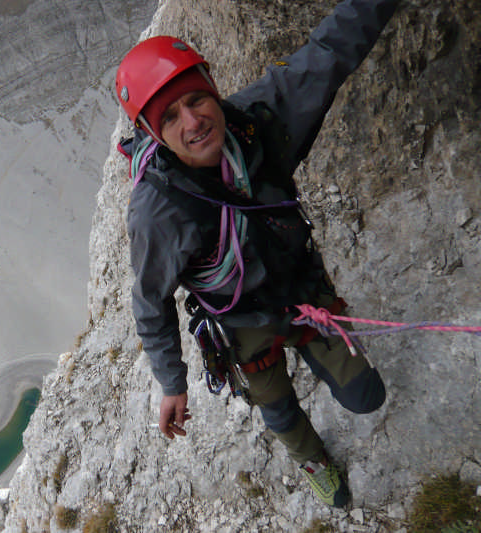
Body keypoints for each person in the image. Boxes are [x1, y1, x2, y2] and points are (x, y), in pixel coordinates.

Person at [115, 0, 399, 508]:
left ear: (213, 90)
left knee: (366, 396)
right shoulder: (158, 213)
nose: (193, 122)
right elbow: (150, 302)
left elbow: (330, 50)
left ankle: (313, 346)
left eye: (196, 100)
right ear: (154, 134)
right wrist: (172, 383)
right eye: (171, 117)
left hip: (300, 285)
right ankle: (312, 462)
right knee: (278, 407)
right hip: (242, 320)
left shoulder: (257, 123)